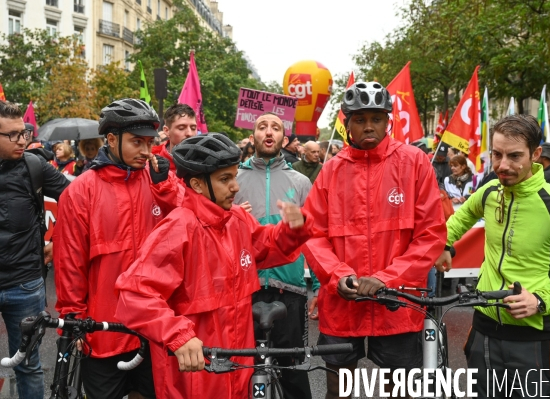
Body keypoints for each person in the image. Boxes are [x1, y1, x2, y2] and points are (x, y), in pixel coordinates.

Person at [114, 133, 314, 399]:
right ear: (197, 184)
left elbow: (266, 247)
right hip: (195, 377)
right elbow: (135, 294)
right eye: (225, 179)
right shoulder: (178, 228)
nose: (235, 187)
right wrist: (178, 335)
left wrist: (293, 229)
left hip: (237, 367)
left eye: (233, 177)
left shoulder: (237, 220)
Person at [435, 114, 550, 398]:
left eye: (514, 155)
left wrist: (541, 299)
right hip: (484, 325)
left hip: (535, 332)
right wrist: (444, 245)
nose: (503, 165)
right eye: (496, 154)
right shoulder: (489, 191)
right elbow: (460, 219)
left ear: (535, 155)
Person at [302, 82, 446, 399]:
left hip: (398, 303)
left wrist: (385, 280)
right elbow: (312, 235)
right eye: (360, 118)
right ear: (347, 122)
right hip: (342, 305)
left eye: (376, 118)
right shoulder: (330, 171)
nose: (369, 126)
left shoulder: (415, 163)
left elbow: (430, 235)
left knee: (401, 391)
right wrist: (339, 275)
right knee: (338, 391)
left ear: (388, 121)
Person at [53, 98, 178, 399]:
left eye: (150, 142)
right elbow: (70, 263)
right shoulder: (80, 192)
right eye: (137, 142)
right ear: (111, 139)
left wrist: (167, 190)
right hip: (103, 331)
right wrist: (73, 319)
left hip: (155, 326)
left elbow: (189, 225)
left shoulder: (160, 181)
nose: (147, 151)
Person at [234, 112, 319, 399]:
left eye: (276, 127)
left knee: (292, 372)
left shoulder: (301, 182)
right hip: (245, 288)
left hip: (290, 289)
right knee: (242, 370)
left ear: (285, 138)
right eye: (262, 127)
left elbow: (314, 238)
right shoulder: (232, 179)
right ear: (253, 136)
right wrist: (233, 216)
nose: (268, 132)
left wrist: (317, 287)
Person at [0, 100, 70, 399]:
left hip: (25, 284)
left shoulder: (34, 165)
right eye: (13, 135)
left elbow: (77, 200)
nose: (22, 141)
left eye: (24, 133)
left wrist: (60, 238)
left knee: (28, 365)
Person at [151, 103, 197, 172]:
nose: (189, 133)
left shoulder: (207, 162)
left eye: (193, 128)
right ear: (166, 131)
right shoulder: (152, 164)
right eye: (181, 128)